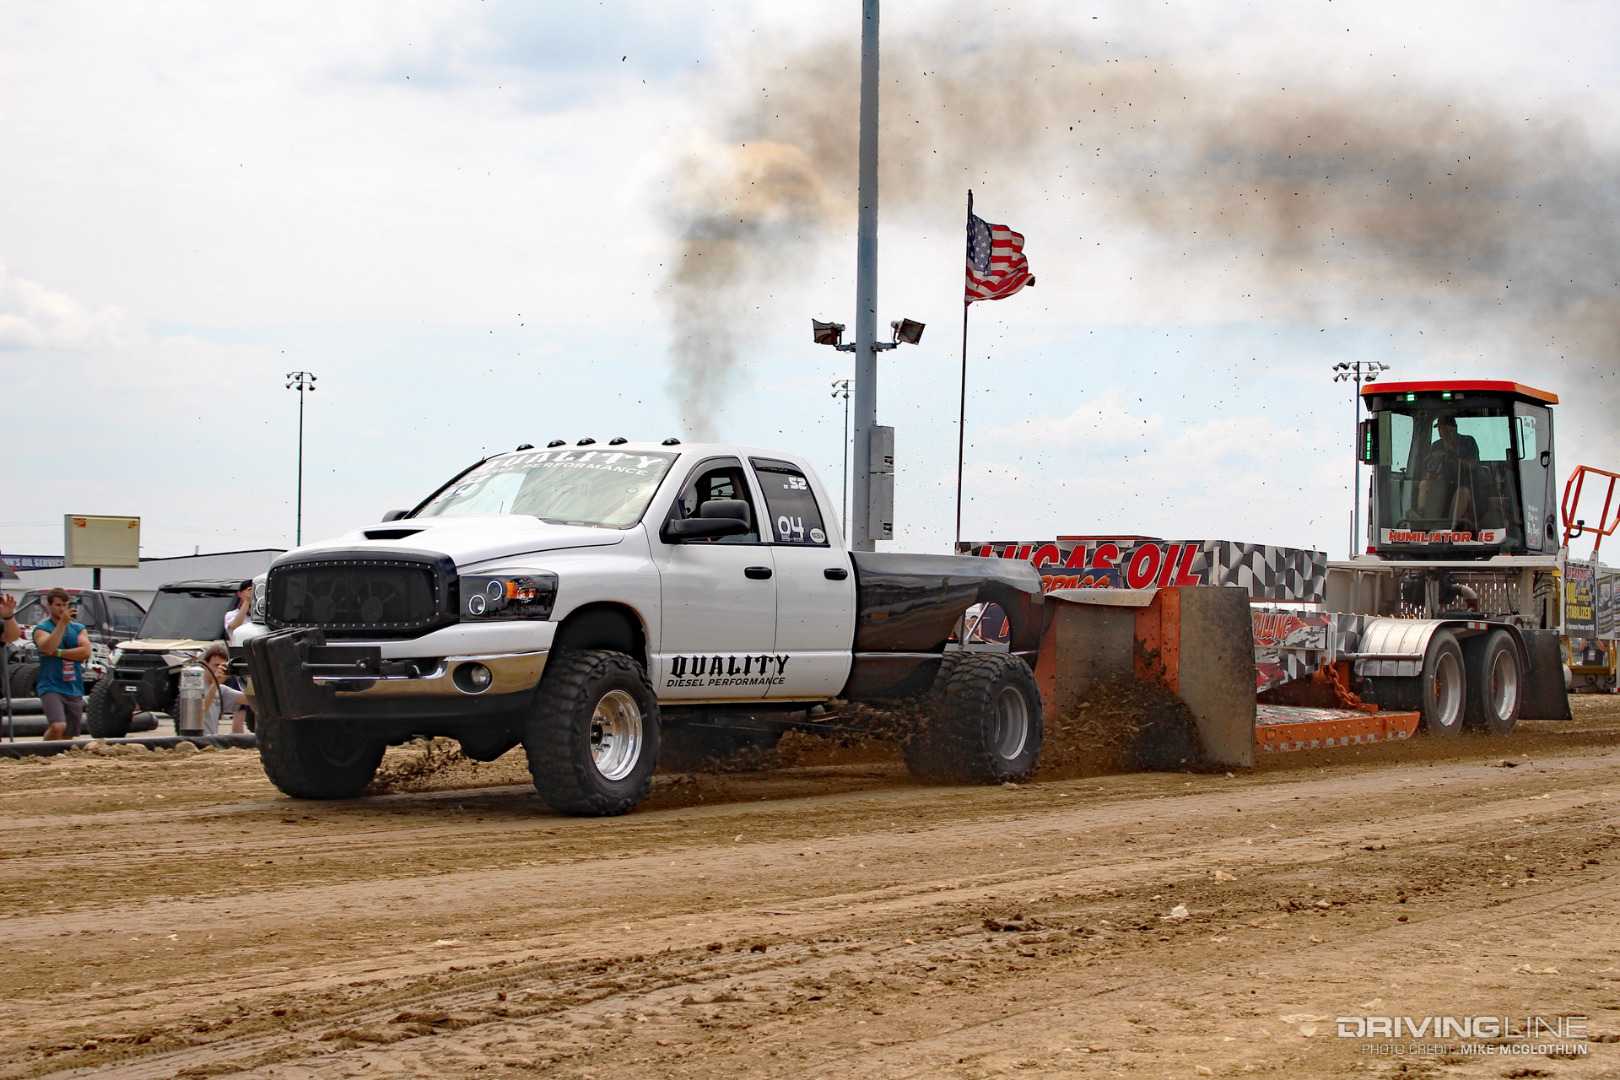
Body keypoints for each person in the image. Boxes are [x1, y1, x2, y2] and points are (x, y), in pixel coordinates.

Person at [33, 588, 91, 740]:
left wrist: (59, 653)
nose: (62, 609)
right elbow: (47, 647)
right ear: (50, 605)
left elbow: (85, 652)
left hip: (73, 686)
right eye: (58, 605)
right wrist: (62, 625)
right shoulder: (42, 628)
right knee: (58, 726)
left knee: (68, 734)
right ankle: (44, 751)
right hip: (51, 684)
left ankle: (58, 757)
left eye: (65, 605)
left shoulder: (78, 628)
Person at [1417, 415, 1481, 529]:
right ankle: (1423, 520)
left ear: (1453, 429)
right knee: (1424, 484)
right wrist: (1430, 475)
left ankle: (1450, 528)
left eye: (1444, 428)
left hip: (1465, 483)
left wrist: (1448, 455)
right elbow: (1429, 465)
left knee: (1462, 493)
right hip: (1443, 483)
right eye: (1440, 429)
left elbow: (1472, 464)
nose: (1441, 432)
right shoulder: (1436, 446)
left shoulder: (1468, 442)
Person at [198, 643, 247, 735]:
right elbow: (200, 715)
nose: (218, 670)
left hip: (211, 742)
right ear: (205, 664)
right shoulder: (195, 687)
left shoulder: (221, 690)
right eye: (215, 665)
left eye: (222, 666)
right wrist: (215, 684)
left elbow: (251, 700)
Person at [224, 580, 254, 645]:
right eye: (249, 590)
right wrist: (247, 602)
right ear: (239, 594)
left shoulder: (260, 615)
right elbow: (235, 626)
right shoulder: (231, 614)